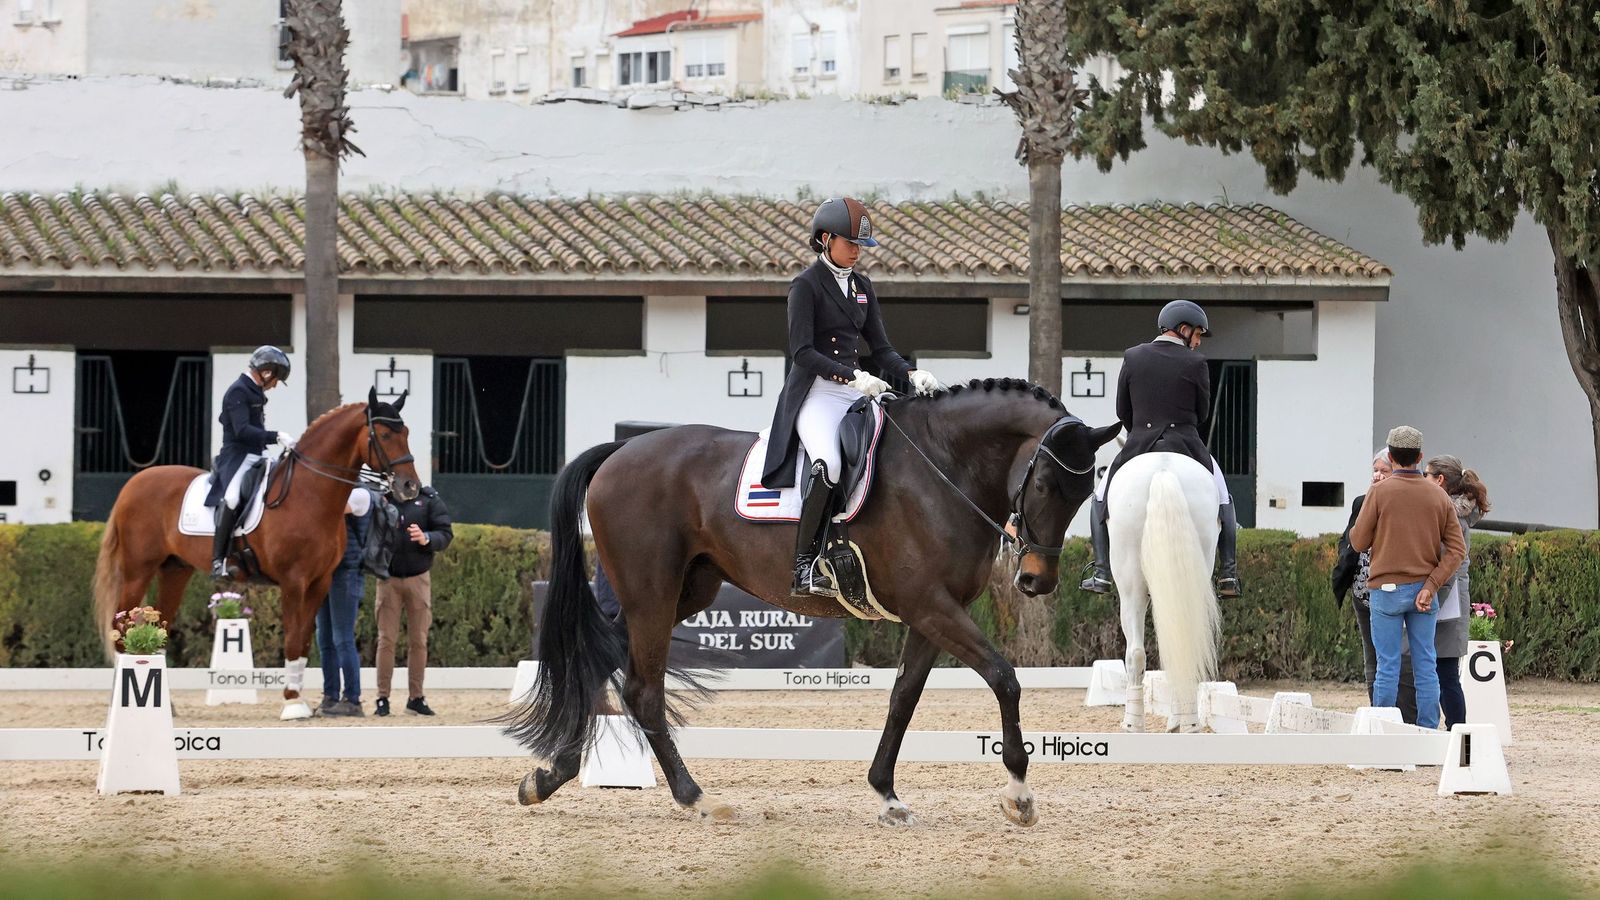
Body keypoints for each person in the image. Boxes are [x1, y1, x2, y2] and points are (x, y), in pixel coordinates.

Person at [760, 197, 940, 597]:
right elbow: (802, 353)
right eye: (850, 243)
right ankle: (803, 566)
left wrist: (911, 372)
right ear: (825, 240)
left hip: (857, 393)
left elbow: (881, 349)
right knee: (830, 465)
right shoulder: (805, 286)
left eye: (861, 245)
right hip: (817, 395)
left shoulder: (862, 287)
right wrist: (851, 376)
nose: (857, 251)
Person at [1079, 301, 1241, 598]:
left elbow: (1122, 409)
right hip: (1187, 443)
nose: (1198, 341)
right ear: (1183, 329)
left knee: (1100, 498)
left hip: (1140, 441)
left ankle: (1101, 572)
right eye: (1198, 334)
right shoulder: (1196, 363)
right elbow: (1202, 413)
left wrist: (1140, 430)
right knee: (1223, 496)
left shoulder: (1133, 356)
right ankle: (1228, 573)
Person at [1349, 425, 1466, 730]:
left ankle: (1385, 732)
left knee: (1387, 665)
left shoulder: (1378, 492)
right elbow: (1457, 549)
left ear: (1390, 456)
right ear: (1420, 456)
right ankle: (1427, 731)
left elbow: (1358, 542)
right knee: (1425, 664)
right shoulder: (1438, 495)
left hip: (1385, 590)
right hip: (1423, 593)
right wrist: (1432, 584)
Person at [207, 345, 296, 579]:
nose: (275, 384)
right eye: (276, 379)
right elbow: (242, 430)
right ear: (266, 372)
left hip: (255, 455)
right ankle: (218, 561)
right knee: (233, 497)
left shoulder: (253, 391)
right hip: (236, 457)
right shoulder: (238, 391)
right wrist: (275, 436)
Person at [1423, 454, 1490, 730]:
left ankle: (1457, 731)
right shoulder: (1454, 510)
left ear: (1440, 480)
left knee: (1446, 672)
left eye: (1427, 475)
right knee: (1444, 671)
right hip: (1451, 592)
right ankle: (1455, 729)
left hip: (1448, 594)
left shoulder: (1449, 513)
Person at [374, 482, 453, 717]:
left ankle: (416, 697)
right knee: (386, 640)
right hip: (388, 578)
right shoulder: (382, 499)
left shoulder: (429, 500)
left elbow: (446, 533)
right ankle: (382, 698)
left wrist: (427, 538)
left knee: (418, 640)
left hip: (419, 577)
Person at [1333, 449, 1393, 701]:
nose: (1377, 476)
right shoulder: (1361, 501)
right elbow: (1347, 539)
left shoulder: (1402, 503)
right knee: (1371, 654)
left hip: (1392, 591)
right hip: (1362, 591)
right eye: (1375, 470)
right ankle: (1374, 706)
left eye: (1384, 471)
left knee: (1392, 656)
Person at [317, 488, 374, 717]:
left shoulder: (359, 494)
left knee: (343, 638)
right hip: (325, 570)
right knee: (324, 639)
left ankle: (352, 698)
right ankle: (330, 696)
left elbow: (328, 509)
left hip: (347, 572)